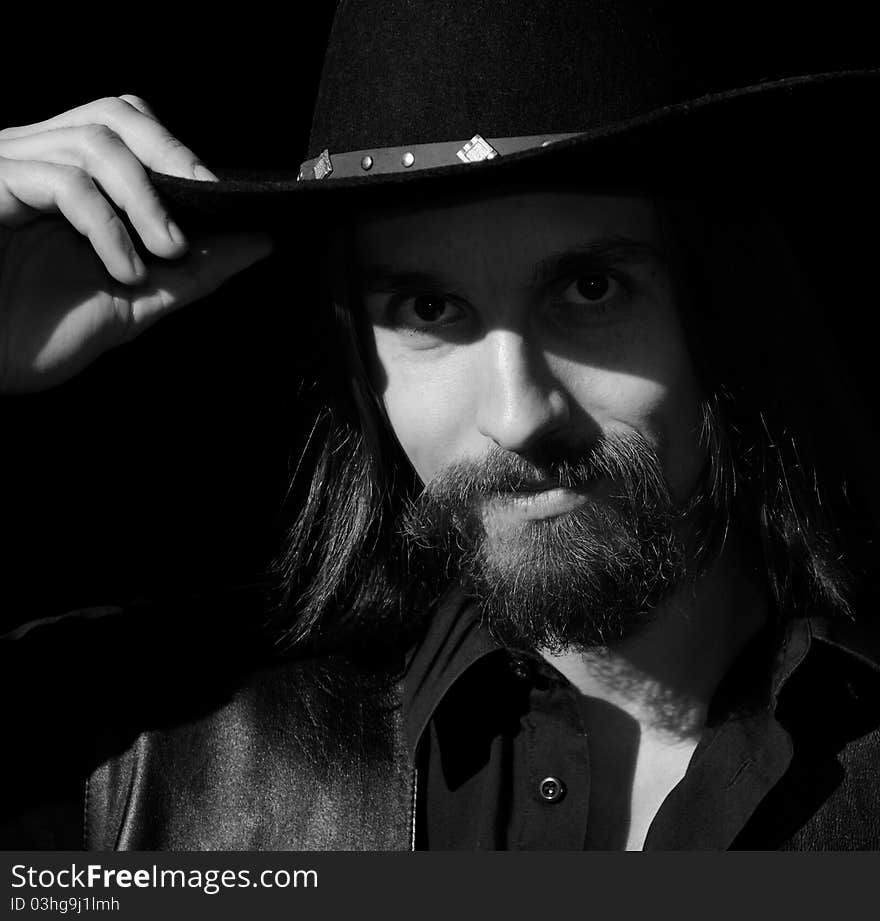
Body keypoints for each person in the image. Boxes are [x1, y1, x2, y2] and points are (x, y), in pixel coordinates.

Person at [2, 0, 880, 850]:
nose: (518, 414)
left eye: (589, 289)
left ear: (720, 304)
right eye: (430, 307)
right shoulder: (136, 756)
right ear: (358, 358)